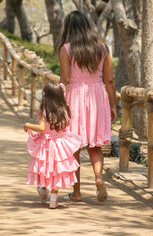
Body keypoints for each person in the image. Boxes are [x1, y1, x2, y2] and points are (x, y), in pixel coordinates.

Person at [58, 11, 116, 202]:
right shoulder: (102, 48)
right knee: (95, 144)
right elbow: (110, 80)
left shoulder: (66, 49)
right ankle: (98, 178)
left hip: (74, 98)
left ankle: (76, 193)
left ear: (69, 28)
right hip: (97, 98)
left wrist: (59, 106)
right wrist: (113, 106)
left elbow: (65, 80)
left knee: (73, 147)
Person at [24, 81, 81, 208]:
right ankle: (54, 198)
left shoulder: (45, 111)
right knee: (58, 170)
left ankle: (44, 189)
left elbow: (42, 128)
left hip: (47, 144)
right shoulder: (64, 110)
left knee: (46, 168)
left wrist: (27, 125)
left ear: (45, 96)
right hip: (60, 143)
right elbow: (66, 125)